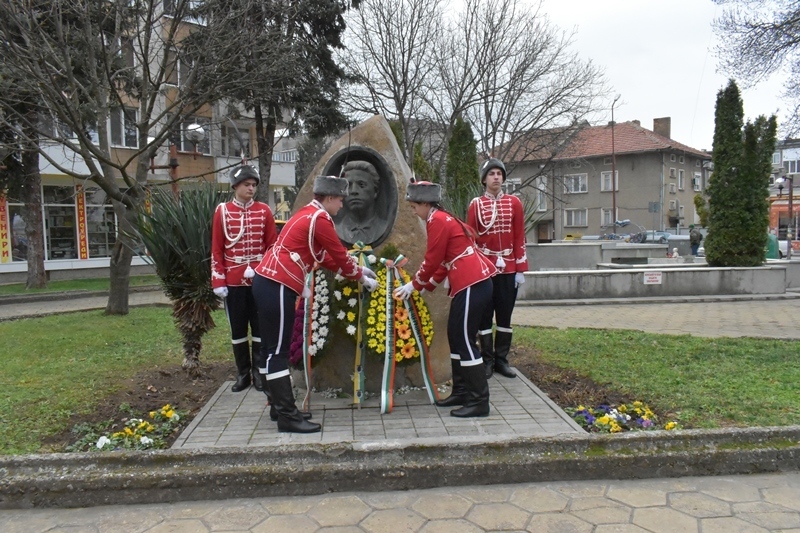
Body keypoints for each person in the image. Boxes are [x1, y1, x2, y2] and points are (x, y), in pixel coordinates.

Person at [252, 176, 378, 433]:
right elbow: (339, 255)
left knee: (269, 349)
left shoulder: (306, 214)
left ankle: (278, 407)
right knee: (278, 352)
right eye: (340, 200)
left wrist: (360, 272)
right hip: (278, 284)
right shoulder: (320, 219)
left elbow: (322, 257)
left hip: (267, 282)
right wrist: (358, 275)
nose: (342, 205)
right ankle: (287, 415)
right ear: (330, 198)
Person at [394, 181, 497, 418]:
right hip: (471, 283)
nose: (413, 211)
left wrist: (414, 285)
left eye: (413, 206)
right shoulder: (440, 218)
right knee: (455, 335)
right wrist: (423, 287)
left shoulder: (437, 220)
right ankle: (461, 391)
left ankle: (479, 400)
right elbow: (443, 263)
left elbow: (432, 259)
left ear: (424, 203)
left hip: (472, 282)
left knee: (464, 340)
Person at [211, 165, 277, 393]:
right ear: (236, 186)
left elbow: (271, 247)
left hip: (259, 280)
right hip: (233, 281)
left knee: (259, 327)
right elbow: (217, 249)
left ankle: (259, 373)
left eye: (253, 185)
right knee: (238, 329)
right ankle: (242, 374)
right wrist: (218, 281)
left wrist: (268, 276)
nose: (251, 189)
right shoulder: (222, 211)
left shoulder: (264, 211)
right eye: (247, 185)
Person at [467, 158, 528, 379]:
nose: (496, 177)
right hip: (485, 267)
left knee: (505, 316)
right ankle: (487, 360)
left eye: (499, 173)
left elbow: (520, 236)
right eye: (491, 173)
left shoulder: (514, 203)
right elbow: (470, 239)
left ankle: (502, 360)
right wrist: (472, 269)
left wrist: (520, 268)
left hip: (509, 266)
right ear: (484, 179)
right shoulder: (476, 204)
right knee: (484, 316)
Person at [335, 160, 384, 245]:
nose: (354, 191)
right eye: (348, 186)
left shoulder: (382, 227)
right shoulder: (336, 229)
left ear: (375, 191)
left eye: (361, 185)